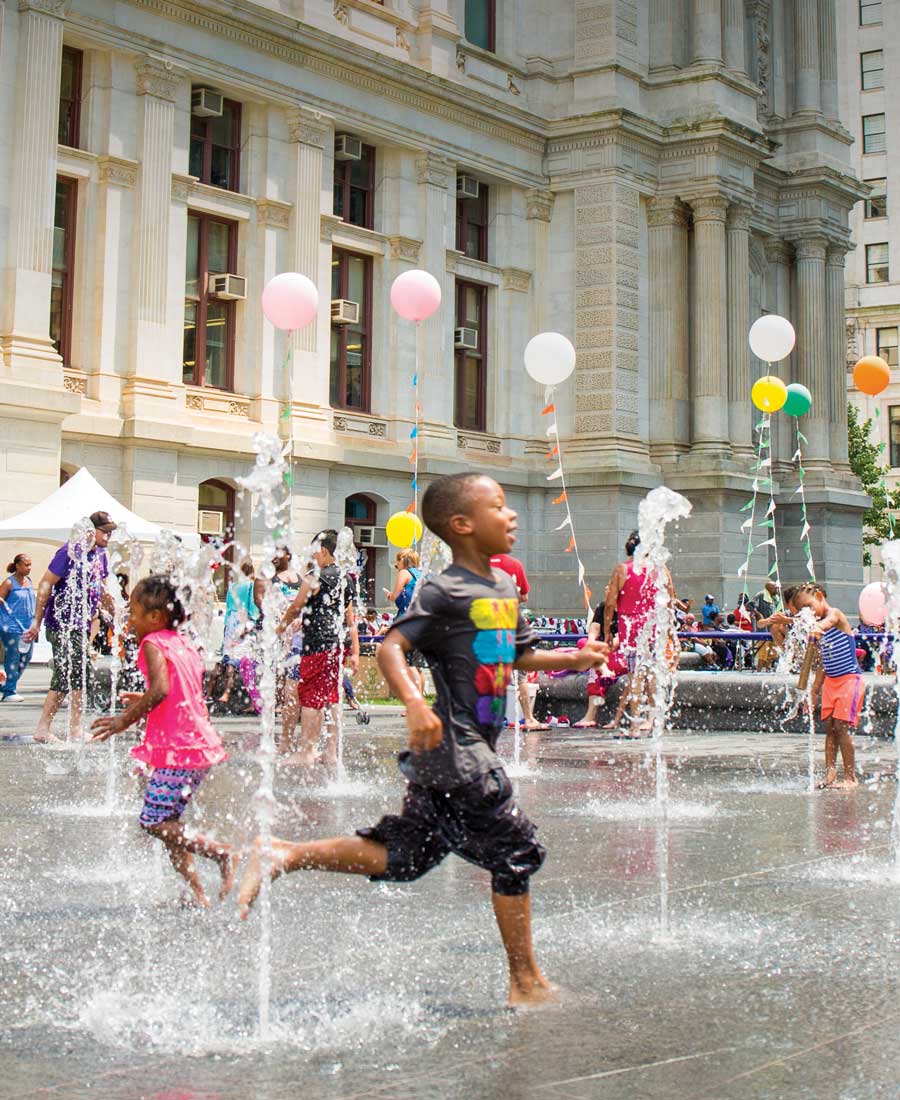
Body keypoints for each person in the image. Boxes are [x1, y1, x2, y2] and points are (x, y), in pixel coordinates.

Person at [238, 472, 607, 1006]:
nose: (511, 516)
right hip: (456, 746)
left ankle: (284, 854)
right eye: (498, 507)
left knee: (408, 857)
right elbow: (391, 647)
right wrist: (412, 702)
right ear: (462, 525)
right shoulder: (442, 591)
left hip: (462, 749)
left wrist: (571, 657)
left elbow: (517, 653)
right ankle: (525, 982)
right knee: (516, 849)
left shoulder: (502, 586)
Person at [90, 575, 236, 907]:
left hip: (180, 749)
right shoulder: (180, 642)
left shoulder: (152, 643)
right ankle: (197, 893)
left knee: (153, 820)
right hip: (197, 744)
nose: (129, 618)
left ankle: (222, 854)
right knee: (169, 824)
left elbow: (161, 691)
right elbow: (179, 691)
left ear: (154, 618)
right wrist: (141, 699)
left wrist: (122, 721)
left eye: (134, 612)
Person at [22, 511, 116, 742]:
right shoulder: (68, 552)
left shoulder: (101, 554)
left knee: (81, 673)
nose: (110, 536)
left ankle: (75, 728)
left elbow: (102, 589)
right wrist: (36, 622)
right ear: (91, 531)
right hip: (61, 624)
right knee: (65, 674)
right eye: (106, 531)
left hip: (81, 625)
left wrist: (116, 614)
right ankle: (43, 729)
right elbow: (45, 584)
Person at [279, 530, 360, 768]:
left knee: (311, 698)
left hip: (315, 646)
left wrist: (277, 630)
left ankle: (306, 751)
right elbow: (350, 619)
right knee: (332, 697)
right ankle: (331, 752)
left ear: (324, 550)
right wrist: (354, 652)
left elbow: (295, 607)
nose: (313, 554)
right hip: (335, 647)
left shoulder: (315, 576)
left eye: (315, 549)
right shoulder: (347, 579)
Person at [602, 530, 675, 735]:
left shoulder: (622, 570)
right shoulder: (661, 570)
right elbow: (670, 600)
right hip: (655, 626)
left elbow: (610, 604)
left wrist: (608, 630)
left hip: (631, 627)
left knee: (635, 676)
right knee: (652, 674)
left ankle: (634, 725)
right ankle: (654, 720)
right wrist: (668, 629)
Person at [792, 582, 862, 790]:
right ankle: (830, 772)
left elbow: (829, 621)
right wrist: (814, 691)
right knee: (830, 727)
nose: (809, 613)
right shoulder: (818, 625)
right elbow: (822, 663)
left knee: (842, 727)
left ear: (820, 596)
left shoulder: (835, 615)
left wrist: (818, 627)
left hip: (849, 679)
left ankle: (850, 776)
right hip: (831, 682)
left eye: (810, 607)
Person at [489, 551, 550, 732]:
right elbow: (524, 596)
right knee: (521, 674)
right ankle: (529, 719)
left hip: (486, 623)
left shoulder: (478, 563)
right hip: (510, 622)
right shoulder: (515, 564)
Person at [384, 549, 426, 697]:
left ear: (403, 561)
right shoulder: (421, 574)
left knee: (409, 664)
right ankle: (420, 700)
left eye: (398, 562)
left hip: (407, 622)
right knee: (418, 666)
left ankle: (414, 703)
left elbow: (395, 596)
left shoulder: (404, 573)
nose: (397, 566)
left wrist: (390, 596)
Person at [0, 554, 36, 702]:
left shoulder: (28, 581)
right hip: (12, 627)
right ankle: (9, 691)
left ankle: (7, 684)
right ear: (17, 566)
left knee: (26, 657)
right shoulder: (9, 583)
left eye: (30, 565)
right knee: (13, 658)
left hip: (28, 627)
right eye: (26, 565)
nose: (29, 568)